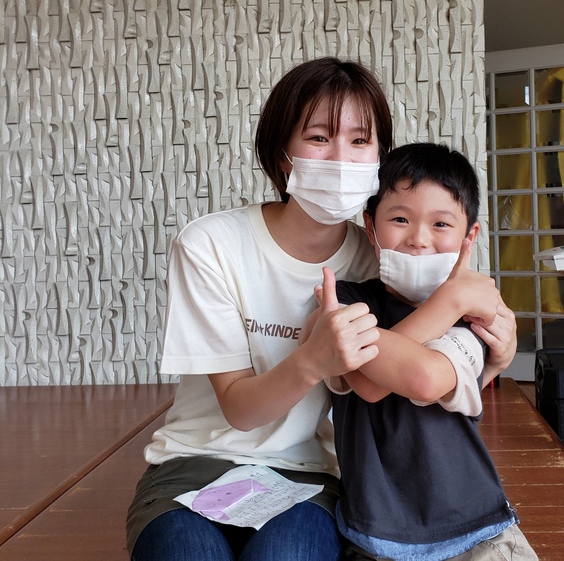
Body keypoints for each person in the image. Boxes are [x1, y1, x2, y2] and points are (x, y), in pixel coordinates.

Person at [126, 58, 517, 561]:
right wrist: (313, 359)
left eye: (360, 141)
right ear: (283, 154)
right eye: (318, 138)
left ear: (379, 159)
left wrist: (499, 354)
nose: (341, 159)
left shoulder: (386, 260)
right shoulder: (211, 244)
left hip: (310, 476)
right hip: (193, 465)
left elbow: (422, 373)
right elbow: (241, 411)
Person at [317, 142, 537, 560]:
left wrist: (454, 303)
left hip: (474, 531)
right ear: (370, 227)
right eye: (400, 219)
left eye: (441, 224)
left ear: (469, 237)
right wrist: (449, 302)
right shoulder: (347, 297)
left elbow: (424, 378)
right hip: (373, 536)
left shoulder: (476, 314)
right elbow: (366, 383)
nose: (418, 240)